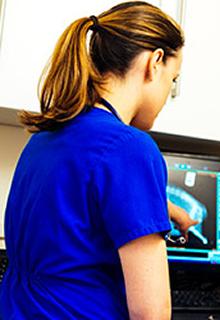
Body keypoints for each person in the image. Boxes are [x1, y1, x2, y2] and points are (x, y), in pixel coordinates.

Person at [0, 1, 196, 318]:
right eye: (172, 79)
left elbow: (83, 204)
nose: (168, 94)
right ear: (154, 62)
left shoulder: (45, 138)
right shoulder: (130, 147)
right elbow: (151, 312)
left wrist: (171, 211)